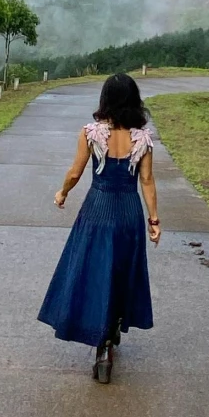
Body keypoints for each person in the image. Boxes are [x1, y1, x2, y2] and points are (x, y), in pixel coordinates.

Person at [38, 72, 161, 382]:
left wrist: (62, 192)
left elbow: (75, 172)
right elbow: (146, 180)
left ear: (105, 100)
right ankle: (113, 330)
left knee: (94, 272)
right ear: (134, 101)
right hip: (129, 212)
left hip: (97, 209)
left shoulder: (91, 134)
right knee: (121, 272)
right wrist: (154, 220)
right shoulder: (142, 139)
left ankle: (102, 347)